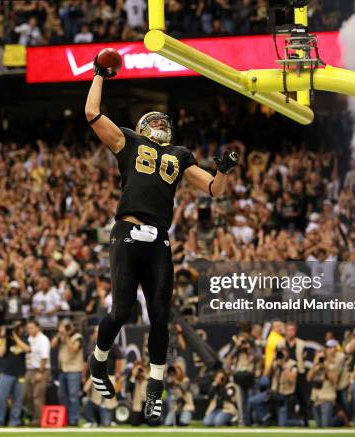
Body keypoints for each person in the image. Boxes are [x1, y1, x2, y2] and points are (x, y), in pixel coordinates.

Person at [84, 53, 239, 422]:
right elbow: (92, 113)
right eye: (153, 119)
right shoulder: (129, 141)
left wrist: (225, 169)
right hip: (127, 230)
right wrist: (99, 74)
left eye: (162, 120)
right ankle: (98, 360)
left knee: (160, 317)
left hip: (159, 240)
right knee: (121, 311)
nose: (160, 124)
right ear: (142, 125)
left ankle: (155, 388)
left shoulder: (180, 154)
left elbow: (214, 189)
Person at [0, 321, 29, 427]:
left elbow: (27, 349)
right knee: (2, 398)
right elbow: (0, 353)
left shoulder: (23, 339)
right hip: (6, 373)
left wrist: (15, 337)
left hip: (20, 374)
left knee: (18, 399)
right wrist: (4, 337)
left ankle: (15, 421)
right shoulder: (5, 341)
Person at [51, 319, 84, 426]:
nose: (64, 329)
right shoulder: (60, 336)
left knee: (73, 396)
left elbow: (73, 350)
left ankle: (74, 419)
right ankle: (64, 418)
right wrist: (58, 334)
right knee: (62, 395)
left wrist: (66, 336)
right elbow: (52, 345)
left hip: (74, 370)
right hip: (62, 370)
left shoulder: (78, 337)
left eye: (66, 327)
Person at [307, 341, 342, 427]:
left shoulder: (333, 364)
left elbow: (335, 380)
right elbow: (308, 378)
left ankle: (341, 419)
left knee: (325, 426)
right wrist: (315, 364)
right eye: (328, 348)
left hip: (327, 397)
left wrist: (325, 367)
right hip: (316, 398)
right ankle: (339, 419)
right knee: (319, 426)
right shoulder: (317, 364)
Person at [25, 318, 51, 426]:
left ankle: (38, 420)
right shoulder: (29, 338)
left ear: (38, 327)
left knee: (37, 395)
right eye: (28, 328)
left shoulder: (43, 339)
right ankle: (31, 416)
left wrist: (40, 372)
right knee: (27, 395)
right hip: (30, 369)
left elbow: (44, 357)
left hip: (41, 369)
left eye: (31, 327)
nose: (29, 330)